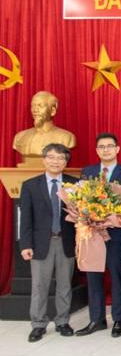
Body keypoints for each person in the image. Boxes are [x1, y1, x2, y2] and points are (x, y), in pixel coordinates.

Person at [76, 133, 121, 337]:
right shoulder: (88, 172)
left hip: (116, 234)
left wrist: (114, 219)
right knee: (93, 276)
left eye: (110, 146)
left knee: (117, 276)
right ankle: (97, 319)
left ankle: (118, 320)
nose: (106, 150)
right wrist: (91, 216)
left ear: (117, 149)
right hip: (92, 233)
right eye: (101, 146)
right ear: (97, 150)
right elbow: (80, 201)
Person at [19, 143, 77, 342]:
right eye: (51, 157)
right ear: (44, 160)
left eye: (60, 158)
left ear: (66, 162)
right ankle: (38, 324)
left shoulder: (74, 184)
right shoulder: (30, 185)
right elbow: (25, 219)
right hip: (40, 243)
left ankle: (63, 321)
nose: (56, 161)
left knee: (65, 285)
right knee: (39, 286)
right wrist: (25, 245)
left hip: (66, 242)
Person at [13, 91, 76, 165]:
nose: (35, 110)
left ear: (52, 111)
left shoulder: (66, 137)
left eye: (40, 106)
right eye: (33, 106)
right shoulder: (20, 137)